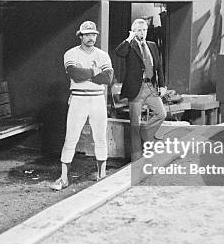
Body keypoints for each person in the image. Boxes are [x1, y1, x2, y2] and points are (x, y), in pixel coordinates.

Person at [50, 21, 113, 190]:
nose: (90, 37)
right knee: (71, 138)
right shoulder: (71, 53)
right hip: (78, 99)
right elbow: (75, 74)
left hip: (97, 99)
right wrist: (94, 72)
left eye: (93, 34)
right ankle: (64, 178)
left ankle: (102, 175)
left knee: (100, 138)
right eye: (87, 34)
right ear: (80, 36)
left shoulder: (102, 55)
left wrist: (86, 73)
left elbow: (107, 78)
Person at [114, 18, 167, 160]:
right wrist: (129, 38)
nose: (142, 32)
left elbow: (159, 67)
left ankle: (145, 132)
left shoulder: (152, 45)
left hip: (150, 86)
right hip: (135, 88)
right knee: (135, 124)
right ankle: (136, 159)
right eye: (138, 30)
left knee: (161, 114)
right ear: (134, 31)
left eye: (144, 30)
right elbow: (119, 53)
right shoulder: (129, 45)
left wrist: (162, 85)